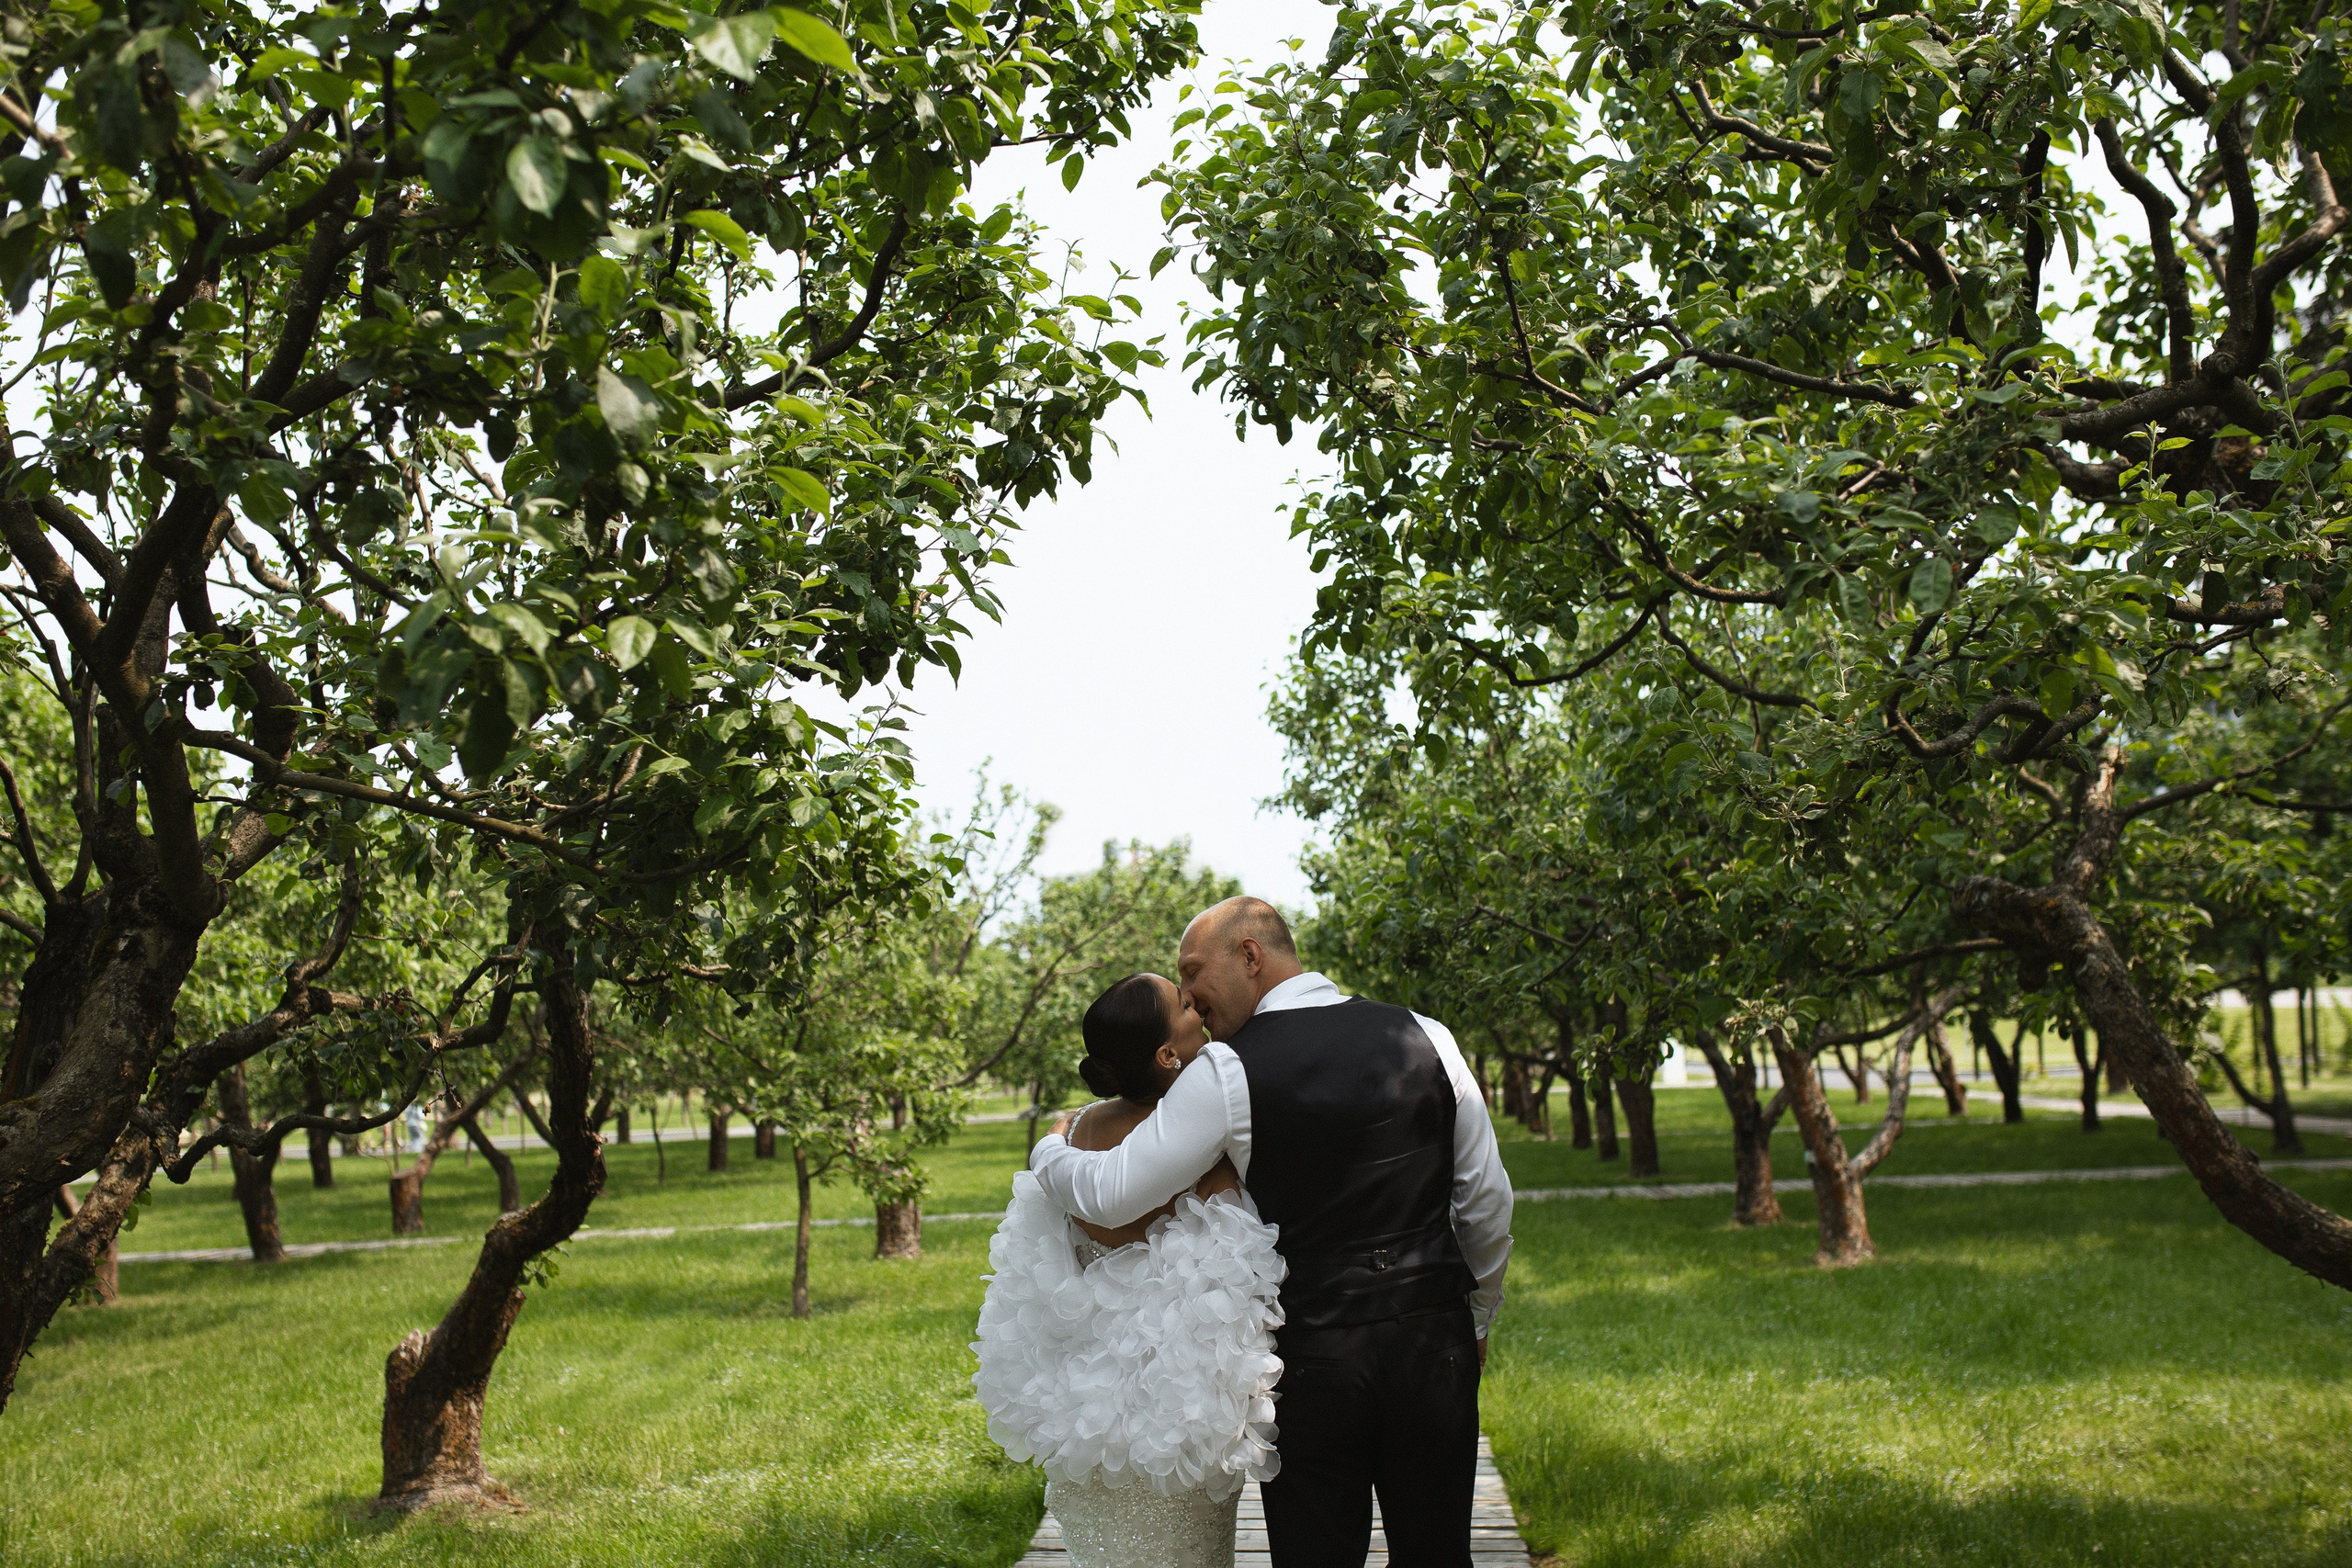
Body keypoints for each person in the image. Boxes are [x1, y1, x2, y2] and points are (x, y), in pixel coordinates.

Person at [1028, 897, 1513, 1568]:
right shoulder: (1426, 1035)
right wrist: (1477, 1316)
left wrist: (1049, 1150)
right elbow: (1487, 1200)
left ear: (1250, 956)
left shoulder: (1227, 1072)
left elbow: (1110, 1195)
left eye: (1193, 971)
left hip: (1315, 1363)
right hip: (1435, 1348)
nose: (1190, 997)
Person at [972, 973, 1286, 1568]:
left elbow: (1080, 1235)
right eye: (1185, 1006)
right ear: (1168, 1054)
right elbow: (1235, 1254)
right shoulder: (1197, 1146)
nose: (1198, 1008)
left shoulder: (1081, 1128)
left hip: (1084, 1411)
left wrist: (1051, 1144)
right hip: (1175, 1415)